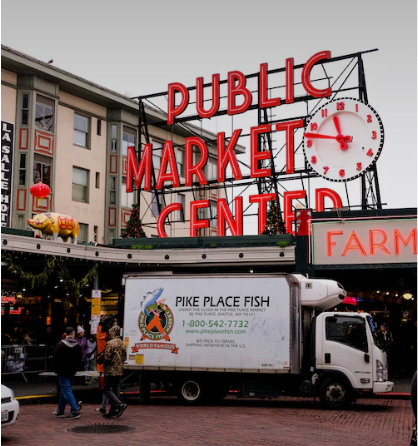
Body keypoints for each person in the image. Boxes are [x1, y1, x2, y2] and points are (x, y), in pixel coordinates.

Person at [52, 327, 83, 419]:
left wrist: (56, 369)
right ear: (73, 334)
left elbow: (55, 357)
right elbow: (80, 359)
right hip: (72, 371)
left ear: (66, 334)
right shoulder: (77, 345)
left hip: (62, 371)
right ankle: (60, 410)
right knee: (64, 390)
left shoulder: (60, 344)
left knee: (66, 391)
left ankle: (75, 410)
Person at [102, 325, 128, 419]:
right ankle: (113, 410)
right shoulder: (122, 343)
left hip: (111, 370)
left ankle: (119, 405)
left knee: (106, 389)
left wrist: (103, 360)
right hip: (119, 370)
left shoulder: (110, 343)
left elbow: (107, 357)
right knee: (116, 389)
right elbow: (125, 357)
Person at [95, 315, 114, 414]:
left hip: (102, 363)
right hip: (108, 362)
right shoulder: (110, 336)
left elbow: (99, 329)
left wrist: (100, 322)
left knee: (106, 388)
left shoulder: (100, 335)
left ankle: (109, 406)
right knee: (108, 387)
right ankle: (106, 406)